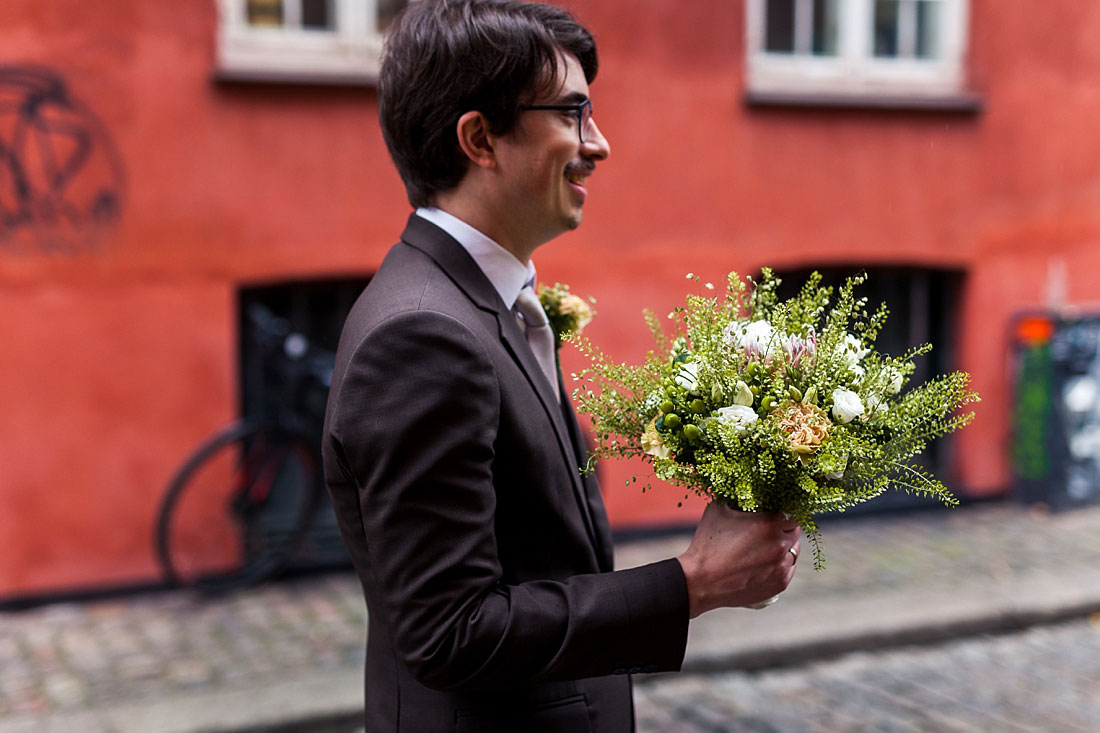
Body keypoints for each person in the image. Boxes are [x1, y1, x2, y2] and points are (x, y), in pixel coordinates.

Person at [321, 1, 801, 730]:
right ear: (480, 138)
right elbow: (450, 631)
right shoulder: (423, 333)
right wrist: (692, 583)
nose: (599, 144)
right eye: (573, 114)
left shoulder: (475, 299)